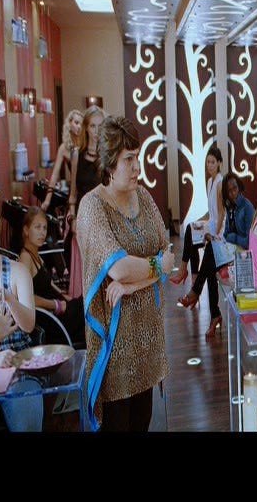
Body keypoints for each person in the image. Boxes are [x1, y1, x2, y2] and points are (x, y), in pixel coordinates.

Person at [76, 115, 174, 431]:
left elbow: (169, 256)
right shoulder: (92, 207)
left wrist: (133, 284)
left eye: (137, 157)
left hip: (148, 342)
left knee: (142, 423)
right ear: (109, 165)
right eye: (128, 159)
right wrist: (155, 267)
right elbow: (117, 267)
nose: (137, 167)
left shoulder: (142, 196)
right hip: (115, 350)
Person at [0, 202, 42, 431]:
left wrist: (10, 299)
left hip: (18, 363)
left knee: (27, 422)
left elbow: (29, 325)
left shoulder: (18, 271)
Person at [181, 172, 255, 337]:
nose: (233, 193)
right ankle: (213, 313)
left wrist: (231, 238)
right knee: (210, 250)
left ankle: (198, 295)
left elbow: (248, 241)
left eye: (235, 188)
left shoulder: (247, 207)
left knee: (211, 253)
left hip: (243, 254)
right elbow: (227, 233)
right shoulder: (231, 207)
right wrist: (222, 238)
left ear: (239, 187)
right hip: (232, 248)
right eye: (230, 191)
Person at [19, 207, 85, 345]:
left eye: (44, 228)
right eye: (37, 227)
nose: (42, 232)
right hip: (50, 321)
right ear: (26, 230)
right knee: (87, 305)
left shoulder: (36, 255)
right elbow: (26, 298)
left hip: (58, 311)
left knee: (87, 301)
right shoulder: (25, 258)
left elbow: (48, 283)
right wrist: (56, 305)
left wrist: (63, 295)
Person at [171, 146, 224, 289]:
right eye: (208, 162)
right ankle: (193, 278)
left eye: (213, 162)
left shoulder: (220, 183)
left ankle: (184, 271)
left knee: (190, 232)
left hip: (219, 228)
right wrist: (198, 222)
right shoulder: (209, 182)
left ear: (219, 163)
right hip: (211, 223)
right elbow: (210, 212)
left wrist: (216, 236)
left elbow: (221, 213)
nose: (210, 165)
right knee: (192, 231)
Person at [67, 105, 105, 298]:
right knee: (85, 272)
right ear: (86, 128)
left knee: (102, 271)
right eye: (92, 126)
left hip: (103, 218)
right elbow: (73, 193)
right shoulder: (76, 154)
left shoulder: (106, 156)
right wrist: (73, 218)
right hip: (82, 219)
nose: (96, 131)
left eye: (100, 126)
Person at [41, 109, 84, 212]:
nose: (79, 127)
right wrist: (47, 200)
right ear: (69, 123)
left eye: (81, 124)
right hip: (74, 191)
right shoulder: (64, 148)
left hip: (87, 189)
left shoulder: (85, 146)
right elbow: (54, 175)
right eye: (76, 123)